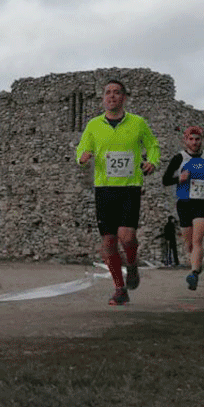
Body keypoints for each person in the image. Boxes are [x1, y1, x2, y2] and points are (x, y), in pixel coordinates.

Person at [76, 79, 160, 306]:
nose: (111, 96)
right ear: (103, 98)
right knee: (109, 243)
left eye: (116, 93)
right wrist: (82, 158)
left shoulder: (138, 123)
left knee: (127, 236)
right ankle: (119, 288)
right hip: (104, 188)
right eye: (108, 93)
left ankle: (132, 265)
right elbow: (83, 147)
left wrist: (152, 161)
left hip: (129, 187)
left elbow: (152, 145)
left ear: (124, 97)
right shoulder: (94, 125)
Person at [161, 125, 204, 290]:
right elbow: (165, 180)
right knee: (189, 244)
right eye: (191, 139)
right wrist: (179, 179)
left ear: (201, 140)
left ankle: (194, 273)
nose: (195, 142)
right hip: (184, 203)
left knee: (197, 240)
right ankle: (197, 265)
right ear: (185, 140)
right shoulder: (179, 158)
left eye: (197, 139)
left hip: (203, 202)